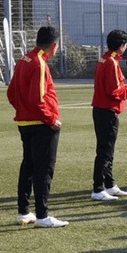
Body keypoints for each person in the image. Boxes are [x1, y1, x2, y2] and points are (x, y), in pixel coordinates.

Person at [8, 26, 69, 228]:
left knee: (28, 167)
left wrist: (22, 109)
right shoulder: (39, 63)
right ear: (54, 45)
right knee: (44, 170)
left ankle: (23, 211)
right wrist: (51, 119)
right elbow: (39, 98)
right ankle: (43, 216)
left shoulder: (24, 59)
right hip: (41, 124)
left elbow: (11, 92)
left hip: (25, 122)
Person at [90, 29, 127, 201]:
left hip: (102, 109)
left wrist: (125, 88)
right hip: (107, 110)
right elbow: (113, 91)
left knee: (108, 150)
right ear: (122, 45)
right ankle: (98, 188)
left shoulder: (105, 59)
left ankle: (109, 185)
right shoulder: (111, 62)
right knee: (104, 151)